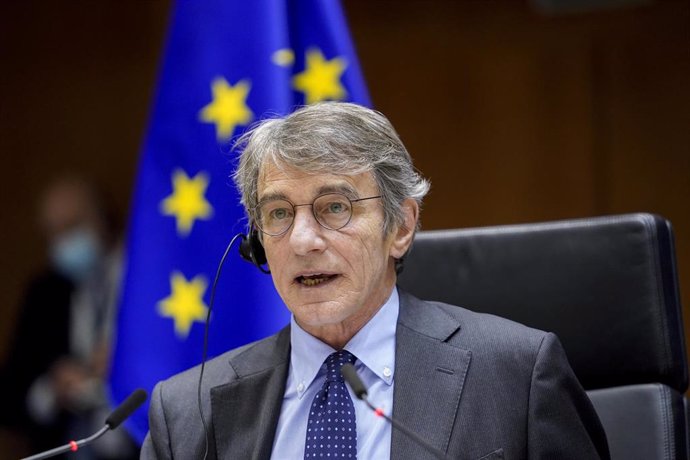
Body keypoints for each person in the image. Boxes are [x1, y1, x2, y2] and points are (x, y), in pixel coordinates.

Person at [141, 102, 610, 459]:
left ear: (400, 227)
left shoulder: (516, 375)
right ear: (258, 240)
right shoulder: (187, 411)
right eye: (279, 213)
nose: (303, 240)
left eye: (335, 207)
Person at [0, 176, 137, 459]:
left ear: (104, 216)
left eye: (73, 226)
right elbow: (10, 400)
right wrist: (52, 389)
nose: (64, 242)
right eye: (53, 232)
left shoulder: (147, 276)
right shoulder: (45, 292)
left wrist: (125, 361)